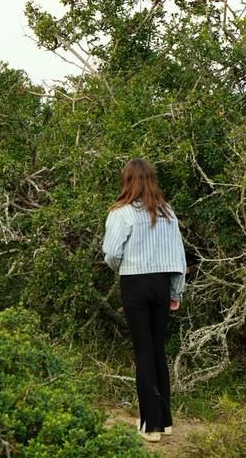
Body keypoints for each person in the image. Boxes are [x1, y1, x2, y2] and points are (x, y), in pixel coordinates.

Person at [102, 158, 186, 443]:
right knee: (157, 349)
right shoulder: (168, 212)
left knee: (143, 352)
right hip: (162, 284)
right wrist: (176, 292)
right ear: (152, 180)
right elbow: (179, 258)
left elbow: (111, 254)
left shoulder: (120, 213)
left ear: (127, 181)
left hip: (135, 283)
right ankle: (165, 421)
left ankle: (150, 425)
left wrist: (124, 269)